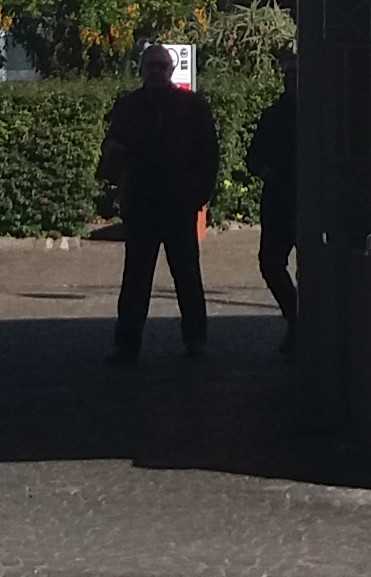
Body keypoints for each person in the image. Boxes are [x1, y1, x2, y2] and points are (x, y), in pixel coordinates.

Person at [93, 39, 220, 362]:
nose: (157, 72)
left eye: (162, 66)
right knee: (136, 278)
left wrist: (198, 196)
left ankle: (196, 339)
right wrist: (114, 155)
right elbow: (112, 145)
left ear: (171, 69)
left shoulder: (193, 106)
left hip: (179, 203)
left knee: (187, 277)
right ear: (142, 70)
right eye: (152, 66)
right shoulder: (129, 106)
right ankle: (127, 343)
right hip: (143, 203)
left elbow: (209, 155)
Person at [244, 50, 302, 357]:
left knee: (313, 265)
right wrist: (267, 172)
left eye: (297, 74)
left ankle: (303, 324)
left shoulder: (320, 116)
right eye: (288, 75)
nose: (291, 80)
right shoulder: (274, 115)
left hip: (309, 201)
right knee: (270, 262)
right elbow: (254, 157)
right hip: (280, 198)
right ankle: (296, 318)